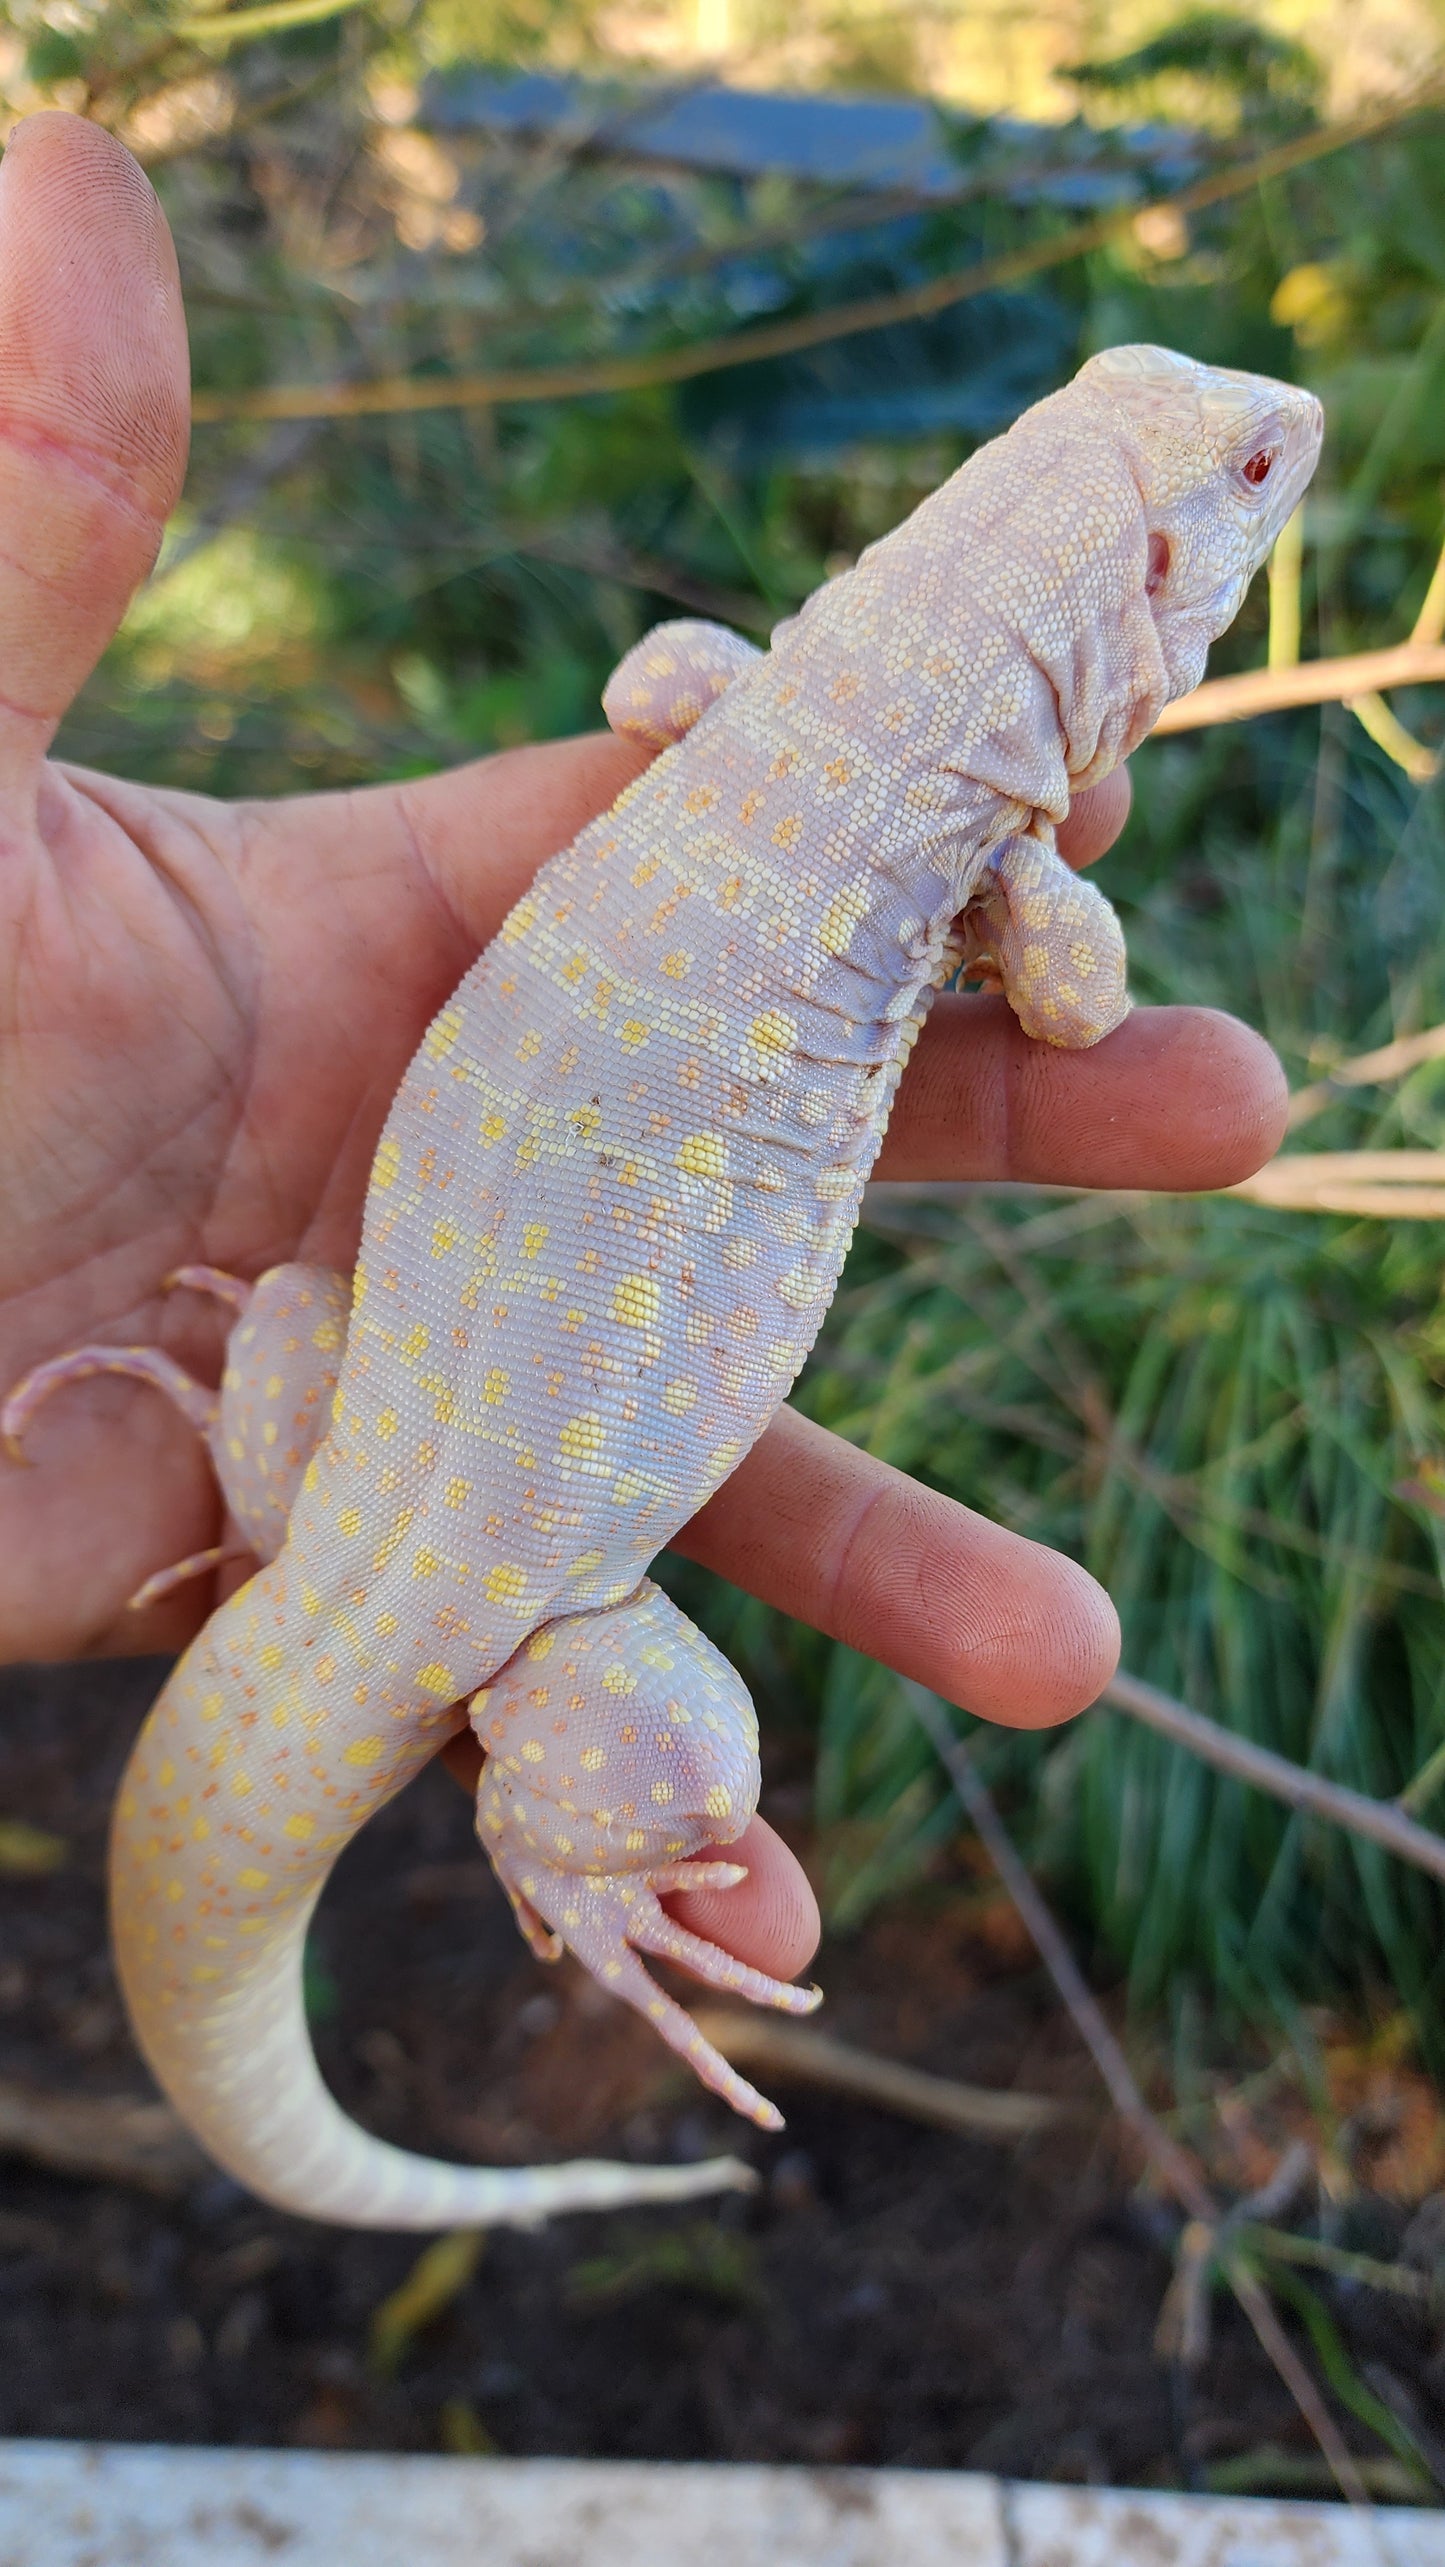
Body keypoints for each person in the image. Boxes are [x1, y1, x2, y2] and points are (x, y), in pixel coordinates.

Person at [0, 111, 1287, 1988]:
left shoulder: (738, 697)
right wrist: (1024, 899)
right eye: (1250, 479)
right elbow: (1077, 1014)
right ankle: (559, 1835)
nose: (1281, 462)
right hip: (435, 1543)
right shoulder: (996, 858)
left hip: (371, 1493)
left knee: (308, 1324)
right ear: (1153, 577)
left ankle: (383, 1650)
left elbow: (646, 681)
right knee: (677, 1760)